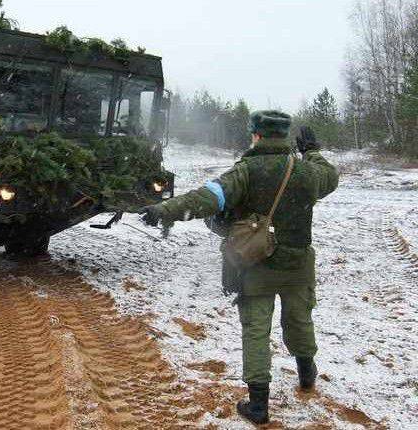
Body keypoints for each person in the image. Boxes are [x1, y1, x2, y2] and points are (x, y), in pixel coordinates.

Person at [141, 110, 339, 425]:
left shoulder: (246, 172)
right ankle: (306, 375)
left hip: (256, 264)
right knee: (300, 320)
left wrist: (165, 209)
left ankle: (259, 405)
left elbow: (207, 197)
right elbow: (330, 175)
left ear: (256, 135)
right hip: (298, 265)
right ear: (284, 137)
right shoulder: (306, 172)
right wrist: (311, 151)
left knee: (256, 330)